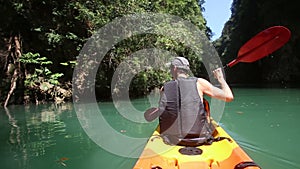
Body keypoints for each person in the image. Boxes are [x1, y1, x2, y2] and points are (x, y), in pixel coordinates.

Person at [145, 56, 234, 146]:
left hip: (171, 140)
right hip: (200, 139)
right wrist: (221, 79)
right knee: (204, 102)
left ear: (174, 69)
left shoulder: (165, 88)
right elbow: (229, 97)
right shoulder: (200, 83)